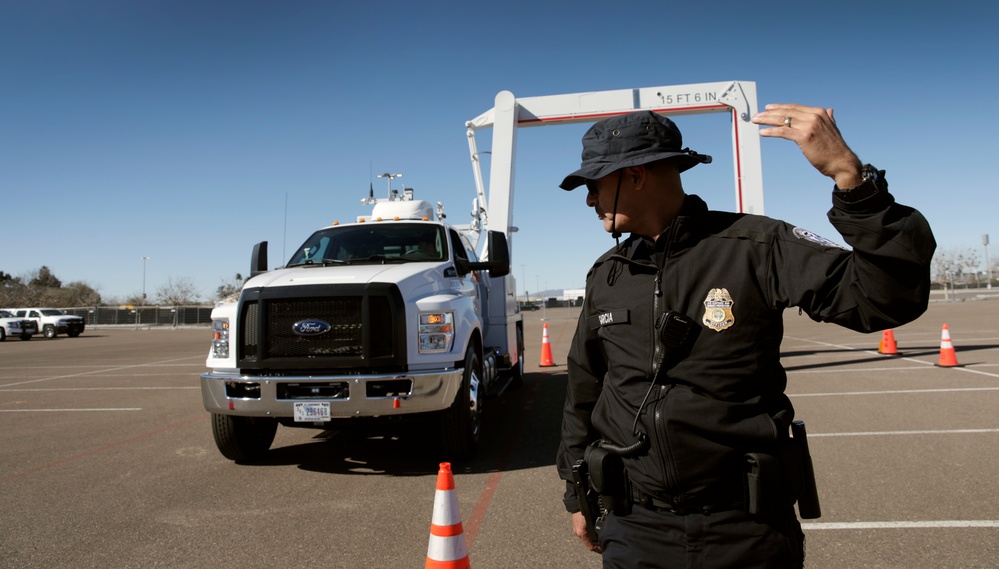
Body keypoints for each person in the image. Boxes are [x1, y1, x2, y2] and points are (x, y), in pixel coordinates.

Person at [555, 105, 935, 568]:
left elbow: (885, 298)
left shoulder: (756, 246)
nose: (590, 200)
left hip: (746, 530)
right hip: (636, 529)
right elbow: (584, 390)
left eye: (594, 185)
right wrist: (578, 496)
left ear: (634, 175)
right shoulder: (607, 276)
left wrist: (849, 177)